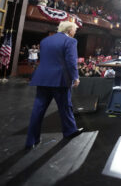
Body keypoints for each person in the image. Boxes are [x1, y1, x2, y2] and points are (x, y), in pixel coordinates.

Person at [25, 21, 83, 149]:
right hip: (60, 80)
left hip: (43, 78)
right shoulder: (71, 42)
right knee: (65, 107)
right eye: (74, 30)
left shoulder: (45, 40)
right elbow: (71, 61)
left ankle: (31, 140)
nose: (75, 32)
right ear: (69, 30)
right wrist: (75, 77)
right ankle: (70, 131)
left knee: (38, 110)